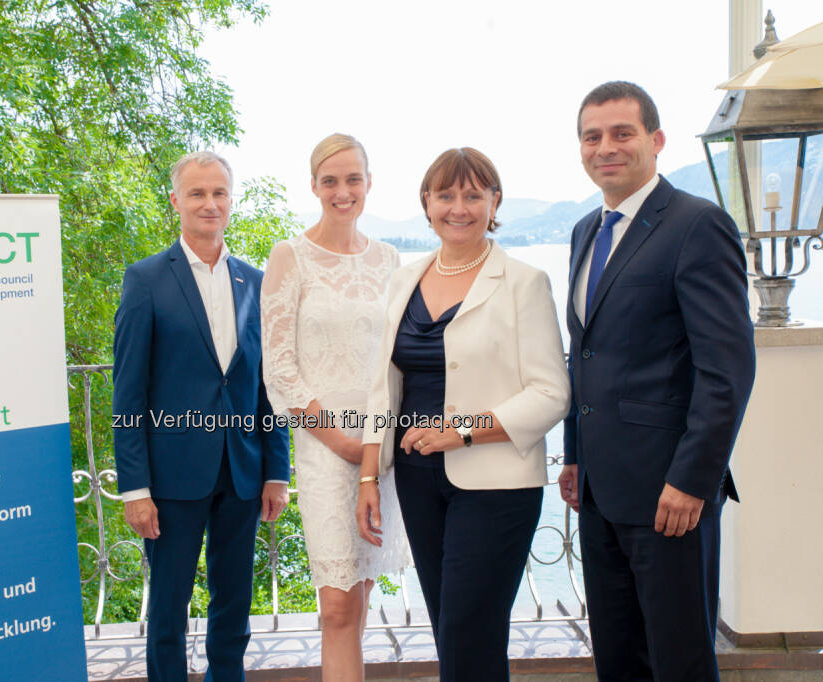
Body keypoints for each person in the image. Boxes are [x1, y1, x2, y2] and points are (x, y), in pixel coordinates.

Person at [558, 81, 756, 681]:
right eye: (592, 136)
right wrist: (573, 456)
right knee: (619, 659)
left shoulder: (698, 225)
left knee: (680, 661)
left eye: (622, 133)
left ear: (656, 140)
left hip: (671, 495)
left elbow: (727, 371)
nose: (606, 147)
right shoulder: (583, 233)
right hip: (598, 490)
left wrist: (692, 480)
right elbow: (584, 355)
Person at [356, 148, 570, 680]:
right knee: (448, 627)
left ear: (494, 201)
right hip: (417, 479)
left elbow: (551, 393)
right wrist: (367, 474)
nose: (459, 207)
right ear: (426, 203)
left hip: (496, 484)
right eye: (446, 194)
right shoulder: (402, 280)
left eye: (473, 194)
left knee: (468, 630)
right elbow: (381, 390)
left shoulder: (524, 281)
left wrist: (462, 432)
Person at [112, 151, 291, 682]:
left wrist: (276, 470)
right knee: (168, 608)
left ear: (231, 202)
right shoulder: (144, 280)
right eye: (197, 193)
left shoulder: (256, 283)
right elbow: (128, 394)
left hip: (242, 473)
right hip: (170, 478)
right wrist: (135, 488)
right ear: (176, 201)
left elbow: (268, 385)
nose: (209, 203)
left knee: (234, 605)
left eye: (219, 193)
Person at [261, 133, 411, 681]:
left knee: (362, 596)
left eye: (353, 179)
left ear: (369, 184)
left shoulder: (390, 259)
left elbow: (394, 363)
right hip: (325, 450)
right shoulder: (289, 256)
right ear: (314, 186)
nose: (342, 191)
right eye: (331, 180)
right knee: (337, 605)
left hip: (378, 446)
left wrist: (374, 447)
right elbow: (279, 367)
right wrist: (343, 444)